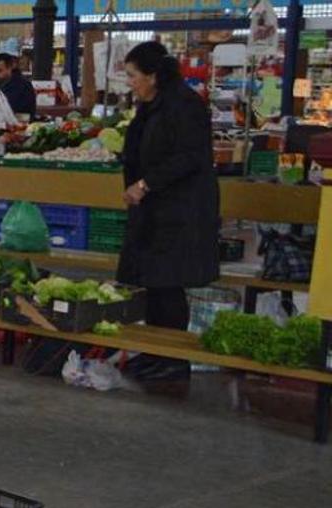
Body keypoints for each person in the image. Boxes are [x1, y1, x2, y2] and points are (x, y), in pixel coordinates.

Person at [117, 41, 220, 380]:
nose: (129, 81)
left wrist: (145, 184)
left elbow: (189, 157)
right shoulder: (152, 105)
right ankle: (154, 352)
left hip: (179, 212)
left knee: (169, 285)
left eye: (133, 75)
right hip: (155, 211)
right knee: (153, 284)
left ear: (153, 76)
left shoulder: (184, 105)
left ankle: (174, 359)